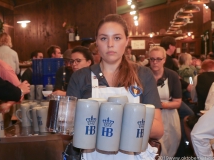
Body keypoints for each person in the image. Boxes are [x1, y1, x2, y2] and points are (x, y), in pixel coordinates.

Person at [67, 14, 164, 159]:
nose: (110, 44)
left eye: (117, 38)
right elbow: (67, 129)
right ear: (97, 42)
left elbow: (158, 129)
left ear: (126, 41)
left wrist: (115, 123)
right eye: (104, 38)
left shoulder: (143, 75)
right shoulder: (81, 77)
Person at [149, 46, 181, 156]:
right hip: (150, 116)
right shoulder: (144, 74)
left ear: (164, 60)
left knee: (170, 147)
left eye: (158, 59)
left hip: (169, 115)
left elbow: (177, 102)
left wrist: (160, 105)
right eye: (152, 59)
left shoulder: (172, 75)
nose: (155, 62)